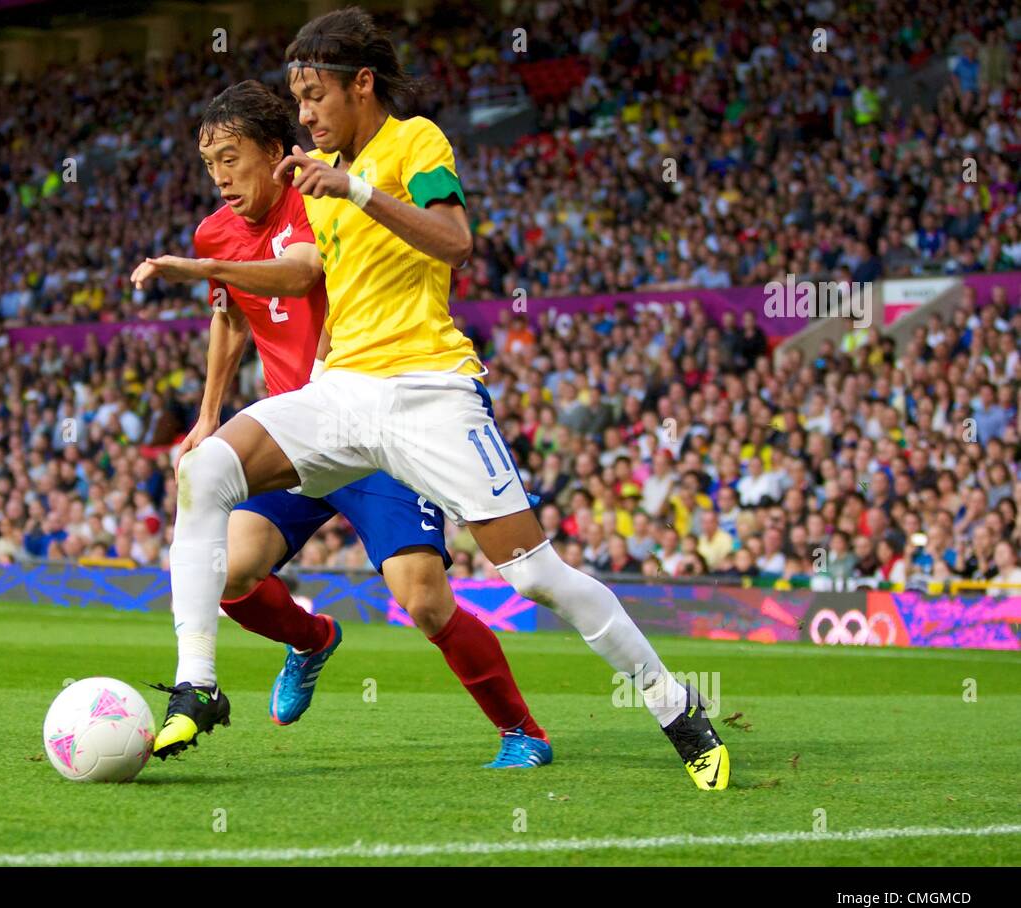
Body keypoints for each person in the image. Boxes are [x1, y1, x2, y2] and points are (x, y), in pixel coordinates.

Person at [135, 7, 727, 789]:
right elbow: (301, 271)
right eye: (297, 101)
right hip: (339, 392)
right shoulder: (311, 178)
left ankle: (674, 705)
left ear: (362, 85)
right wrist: (214, 276)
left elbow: (456, 241)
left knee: (534, 576)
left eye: (314, 97)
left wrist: (353, 187)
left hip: (428, 392)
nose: (305, 115)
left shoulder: (417, 143)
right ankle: (199, 685)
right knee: (203, 468)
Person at [132, 80, 548, 768]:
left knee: (424, 600)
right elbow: (232, 317)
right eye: (211, 166)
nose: (223, 178)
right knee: (229, 572)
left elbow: (298, 277)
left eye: (233, 159)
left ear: (275, 151)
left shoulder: (321, 195)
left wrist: (205, 267)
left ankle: (522, 729)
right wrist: (209, 414)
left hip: (374, 423)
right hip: (294, 437)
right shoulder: (216, 229)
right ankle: (312, 639)